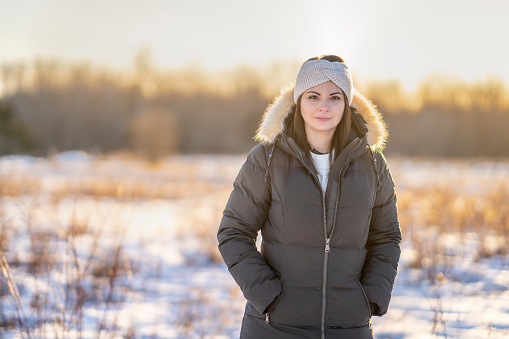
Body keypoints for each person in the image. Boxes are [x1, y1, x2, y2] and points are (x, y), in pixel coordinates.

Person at [217, 55, 401, 339]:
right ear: (299, 101)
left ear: (347, 104)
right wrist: (268, 297)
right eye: (313, 96)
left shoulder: (373, 165)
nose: (324, 107)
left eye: (335, 97)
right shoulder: (266, 159)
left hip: (348, 328)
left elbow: (386, 237)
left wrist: (370, 298)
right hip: (274, 327)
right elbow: (234, 231)